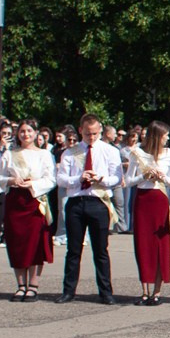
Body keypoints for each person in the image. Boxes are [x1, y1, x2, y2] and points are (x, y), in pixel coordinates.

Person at [52, 117, 120, 303]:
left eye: (95, 134)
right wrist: (78, 178)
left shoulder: (109, 151)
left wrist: (101, 179)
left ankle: (105, 291)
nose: (91, 137)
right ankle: (68, 290)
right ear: (81, 130)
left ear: (100, 131)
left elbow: (116, 178)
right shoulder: (71, 152)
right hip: (76, 201)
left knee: (101, 250)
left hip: (98, 201)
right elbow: (61, 179)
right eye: (87, 133)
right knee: (73, 250)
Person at [0, 121, 55, 300]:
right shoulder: (9, 154)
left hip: (35, 201)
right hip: (16, 201)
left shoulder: (44, 154)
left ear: (36, 133)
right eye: (22, 131)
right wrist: (11, 181)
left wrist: (33, 184)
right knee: (17, 243)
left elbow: (51, 179)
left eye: (29, 131)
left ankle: (34, 285)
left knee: (36, 243)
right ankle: (21, 285)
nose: (25, 134)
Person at [127, 122, 170, 306]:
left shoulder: (169, 154)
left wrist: (162, 177)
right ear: (157, 136)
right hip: (143, 199)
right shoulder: (138, 153)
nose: (168, 138)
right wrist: (144, 176)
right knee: (143, 244)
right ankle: (144, 290)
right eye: (165, 135)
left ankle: (157, 290)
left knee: (160, 244)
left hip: (160, 198)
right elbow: (128, 180)